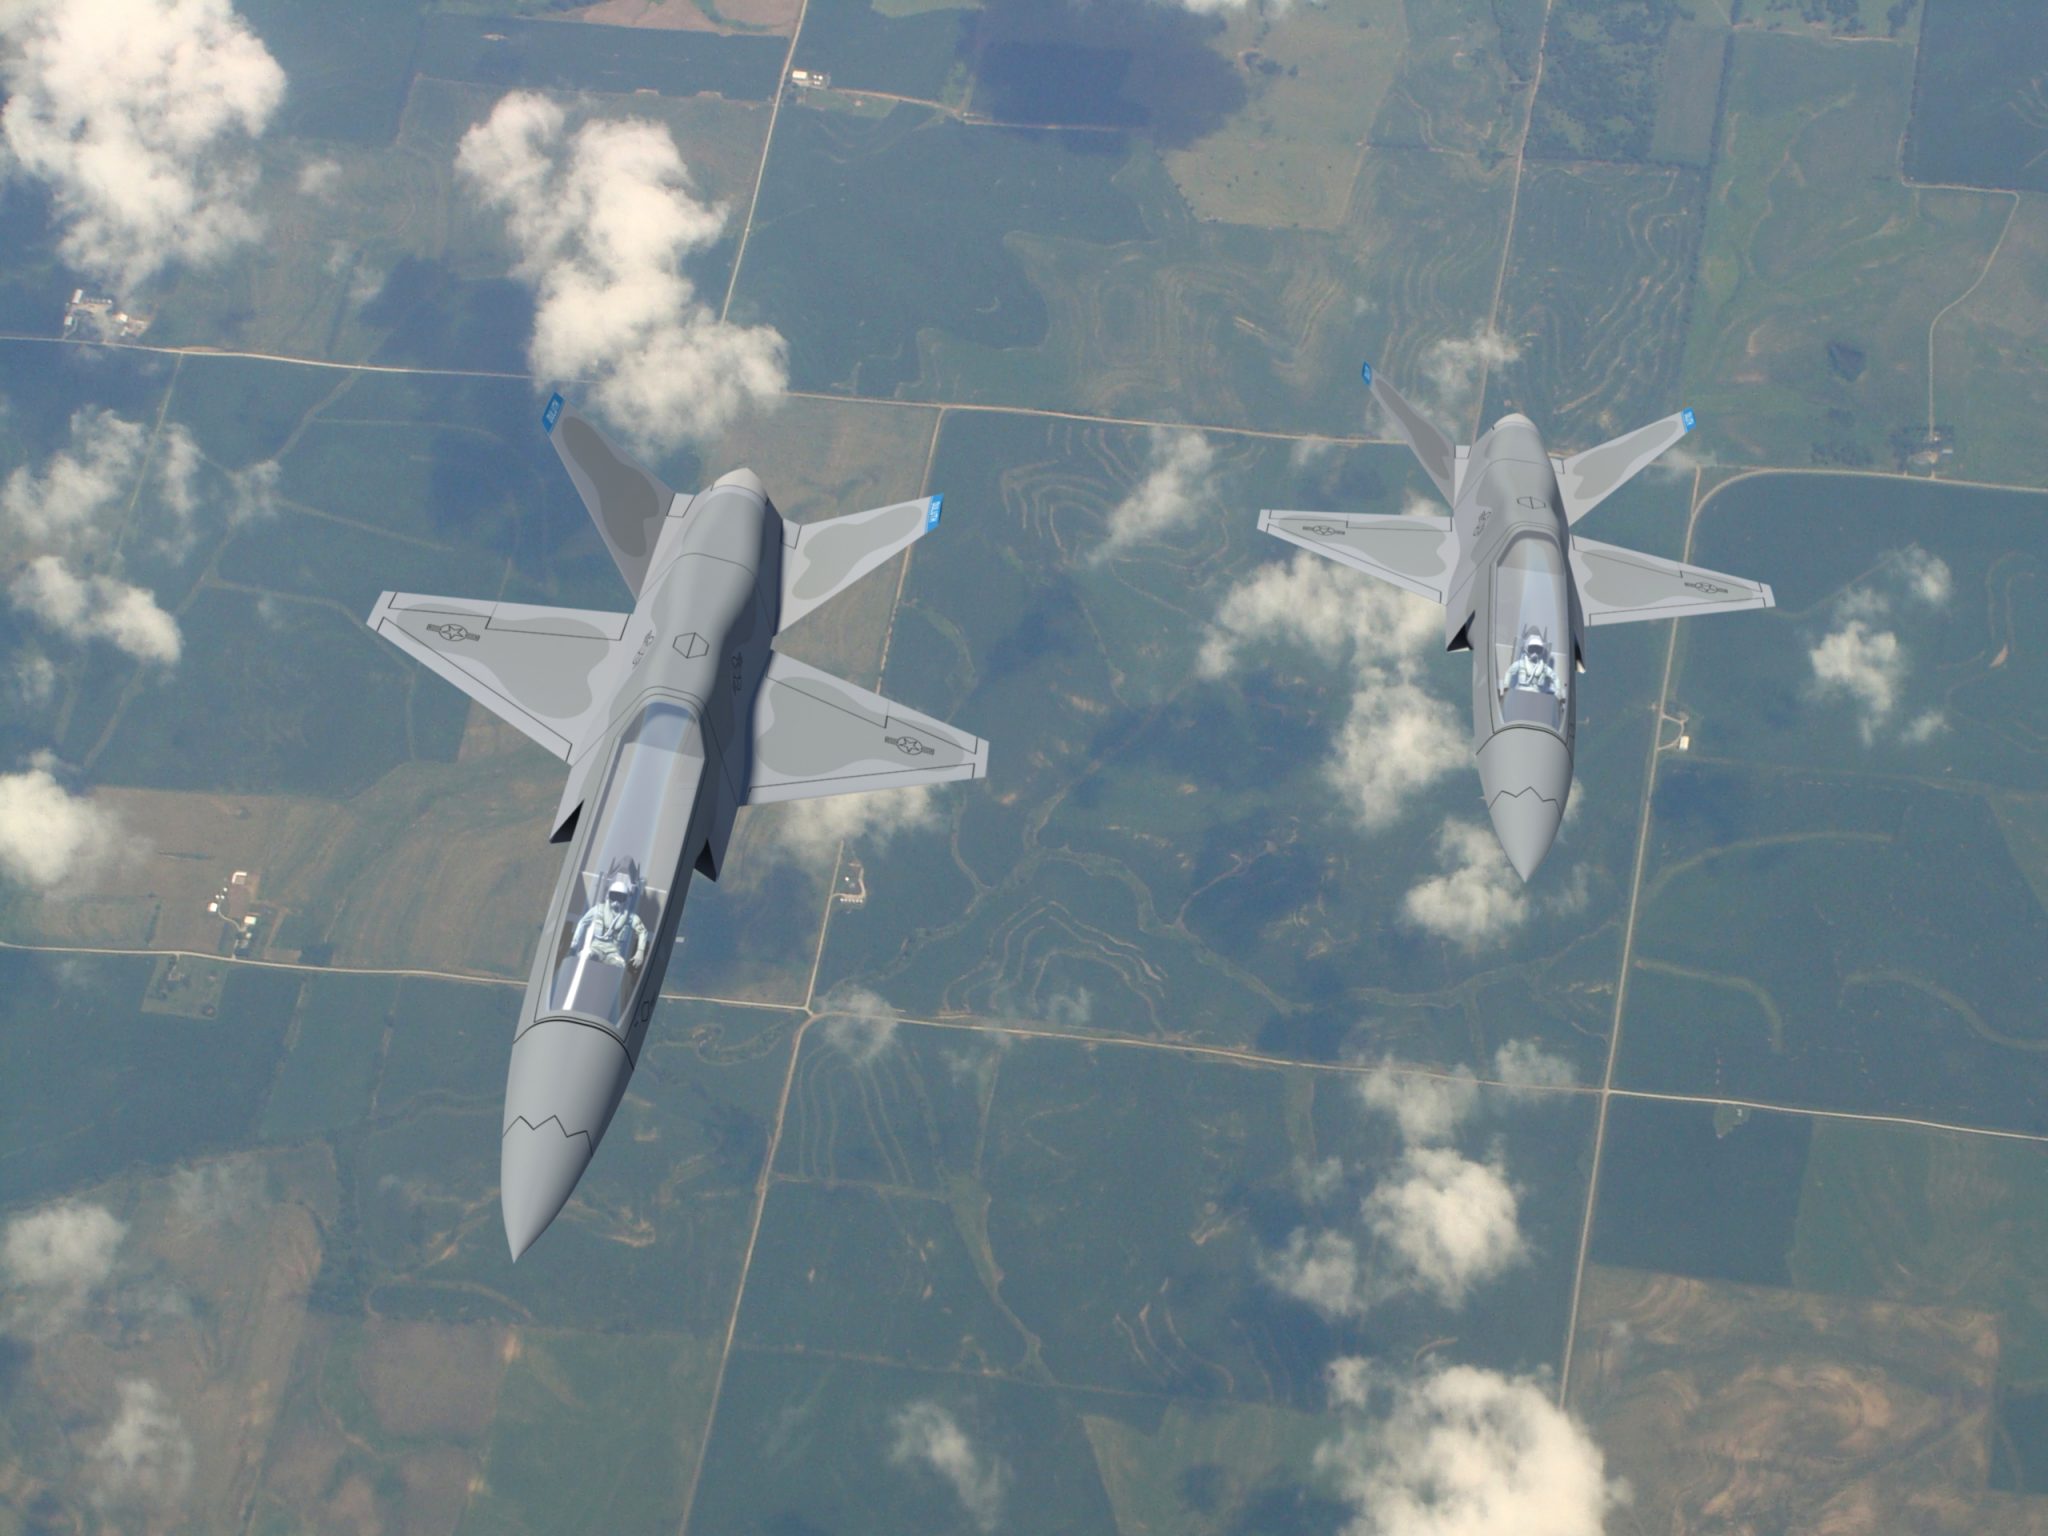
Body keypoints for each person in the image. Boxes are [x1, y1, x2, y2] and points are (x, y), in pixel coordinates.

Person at [571, 864, 649, 971]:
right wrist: (574, 944)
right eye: (614, 896)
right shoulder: (599, 909)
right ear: (609, 896)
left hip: (614, 953)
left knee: (619, 965)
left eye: (620, 897)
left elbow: (643, 931)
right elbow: (583, 923)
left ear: (626, 899)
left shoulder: (630, 917)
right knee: (584, 956)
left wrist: (640, 951)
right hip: (595, 948)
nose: (616, 901)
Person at [1504, 627, 1560, 698]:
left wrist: (1558, 692)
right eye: (1532, 649)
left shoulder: (1543, 667)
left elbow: (1555, 677)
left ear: (1541, 651)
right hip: (1519, 694)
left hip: (1537, 696)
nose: (1535, 653)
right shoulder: (1521, 663)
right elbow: (1509, 671)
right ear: (1526, 649)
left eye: (1537, 650)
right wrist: (1506, 687)